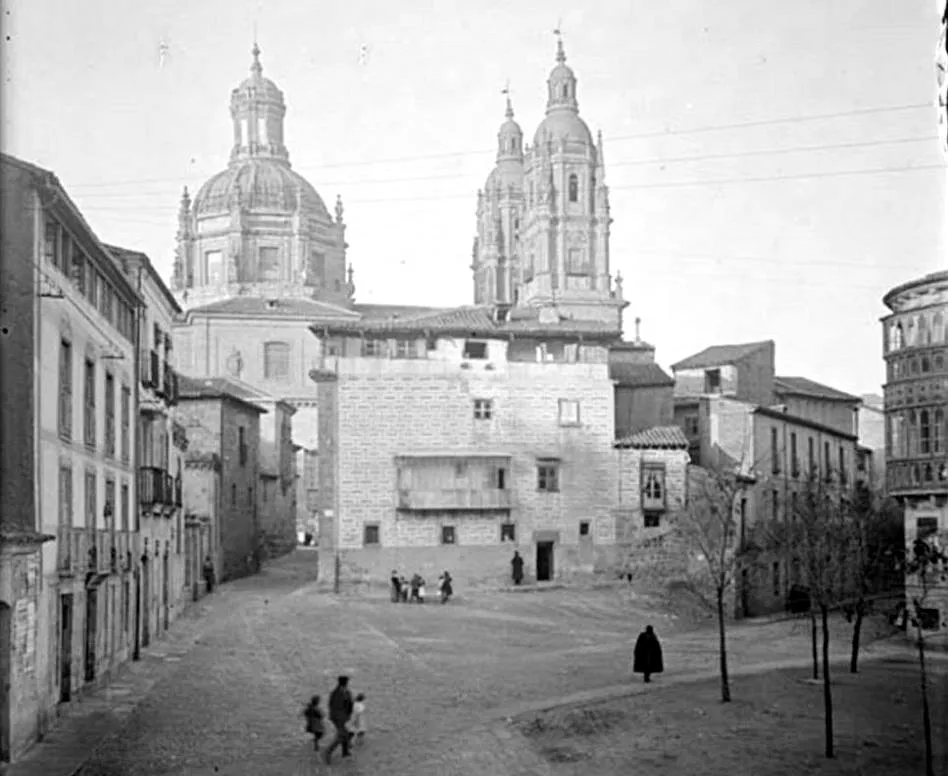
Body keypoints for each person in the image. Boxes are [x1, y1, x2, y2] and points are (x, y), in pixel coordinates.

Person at [325, 675, 354, 763]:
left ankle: (345, 751)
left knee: (346, 734)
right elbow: (335, 707)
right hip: (339, 718)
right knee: (342, 736)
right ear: (344, 682)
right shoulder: (339, 693)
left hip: (343, 717)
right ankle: (328, 752)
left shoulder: (342, 691)